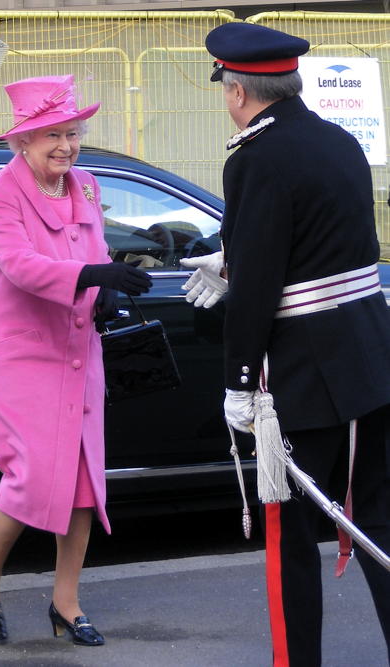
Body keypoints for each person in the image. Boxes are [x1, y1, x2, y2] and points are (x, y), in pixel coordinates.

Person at [180, 22, 390, 667]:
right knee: (378, 522)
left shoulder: (255, 155)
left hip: (300, 376)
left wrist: (239, 381)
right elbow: (329, 249)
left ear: (236, 91)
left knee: (291, 538)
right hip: (370, 358)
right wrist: (233, 259)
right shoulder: (336, 142)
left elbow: (263, 283)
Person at [0, 75, 152, 646]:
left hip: (76, 346)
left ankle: (66, 602)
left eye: (72, 133)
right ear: (23, 141)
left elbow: (92, 253)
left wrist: (109, 288)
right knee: (30, 474)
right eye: (53, 135)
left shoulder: (87, 186)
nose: (66, 146)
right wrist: (93, 276)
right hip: (18, 350)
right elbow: (20, 265)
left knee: (83, 480)